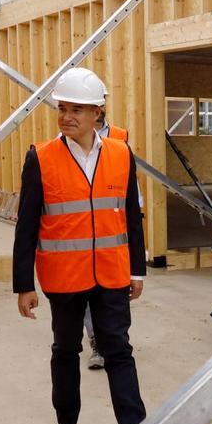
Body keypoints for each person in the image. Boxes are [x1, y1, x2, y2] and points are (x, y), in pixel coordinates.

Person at [13, 67, 148, 424]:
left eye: (77, 109)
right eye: (62, 108)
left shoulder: (122, 155)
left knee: (119, 351)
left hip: (111, 274)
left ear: (97, 114)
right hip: (64, 279)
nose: (67, 116)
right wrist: (24, 285)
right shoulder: (40, 157)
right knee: (65, 351)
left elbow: (129, 218)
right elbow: (26, 225)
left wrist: (136, 269)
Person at [84, 106, 131, 369]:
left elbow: (128, 180)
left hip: (113, 231)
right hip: (83, 235)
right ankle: (96, 342)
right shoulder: (70, 140)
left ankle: (114, 338)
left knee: (115, 291)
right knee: (88, 291)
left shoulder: (120, 137)